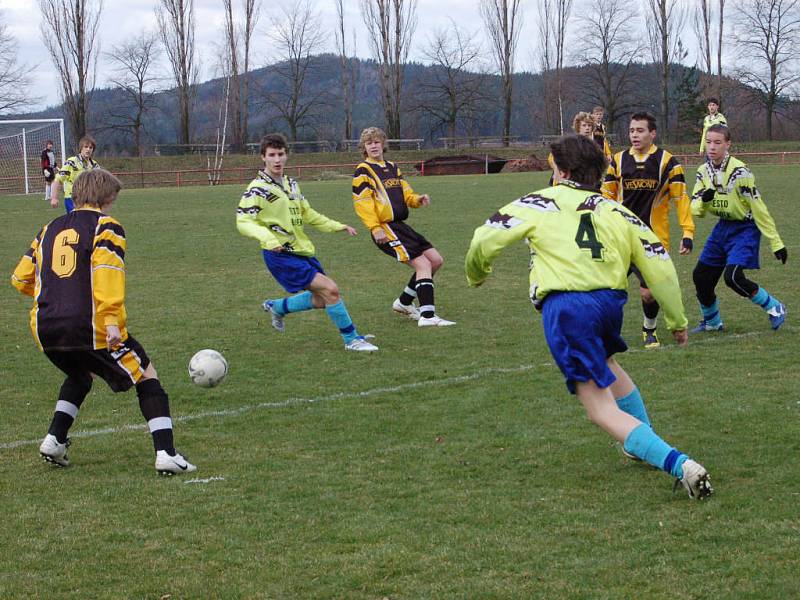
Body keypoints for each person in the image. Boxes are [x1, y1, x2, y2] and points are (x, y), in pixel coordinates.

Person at [465, 134, 712, 499]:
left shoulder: (540, 201)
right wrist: (676, 320)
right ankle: (640, 440)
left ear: (562, 172)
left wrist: (477, 274)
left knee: (599, 409)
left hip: (568, 307)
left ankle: (680, 465)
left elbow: (484, 239)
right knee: (608, 365)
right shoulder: (617, 210)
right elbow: (659, 264)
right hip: (610, 304)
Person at [11, 169, 196, 475]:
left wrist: (56, 295)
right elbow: (107, 273)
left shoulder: (49, 228)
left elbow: (20, 279)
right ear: (107, 196)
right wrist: (111, 321)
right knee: (146, 374)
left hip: (45, 327)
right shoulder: (106, 226)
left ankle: (54, 440)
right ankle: (166, 452)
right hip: (90, 325)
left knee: (81, 374)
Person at [237, 133, 378, 352]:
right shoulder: (257, 189)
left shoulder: (291, 184)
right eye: (271, 155)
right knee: (331, 290)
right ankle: (352, 339)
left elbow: (308, 214)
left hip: (301, 251)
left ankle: (277, 307)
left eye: (280, 154)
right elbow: (243, 221)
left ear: (286, 156)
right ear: (263, 158)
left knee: (323, 299)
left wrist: (336, 225)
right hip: (279, 254)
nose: (277, 160)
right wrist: (268, 238)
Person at [601, 112, 695, 349]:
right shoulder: (618, 160)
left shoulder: (667, 162)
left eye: (640, 130)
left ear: (653, 133)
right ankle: (602, 332)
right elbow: (606, 196)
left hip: (653, 240)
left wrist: (688, 232)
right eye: (632, 130)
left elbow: (681, 198)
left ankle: (649, 328)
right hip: (620, 237)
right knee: (607, 288)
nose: (634, 135)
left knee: (649, 293)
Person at [352, 126, 455, 327]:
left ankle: (404, 303)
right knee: (423, 265)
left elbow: (406, 193)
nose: (373, 146)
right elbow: (362, 202)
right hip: (385, 228)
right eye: (369, 142)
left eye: (376, 141)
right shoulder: (363, 171)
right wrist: (375, 227)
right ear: (364, 147)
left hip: (400, 226)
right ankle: (427, 317)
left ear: (383, 144)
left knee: (435, 260)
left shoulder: (392, 167)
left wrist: (417, 199)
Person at [691, 124, 787, 332]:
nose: (712, 147)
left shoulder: (740, 171)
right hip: (722, 228)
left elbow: (758, 208)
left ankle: (775, 307)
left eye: (717, 142)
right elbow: (696, 210)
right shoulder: (702, 171)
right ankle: (713, 322)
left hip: (745, 228)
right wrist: (705, 201)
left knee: (733, 277)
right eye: (708, 142)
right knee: (700, 276)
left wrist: (776, 242)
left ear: (728, 144)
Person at [51, 135, 100, 213]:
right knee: (77, 223)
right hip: (73, 199)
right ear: (81, 148)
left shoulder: (95, 165)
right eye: (86, 147)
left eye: (91, 148)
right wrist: (54, 198)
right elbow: (58, 180)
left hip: (90, 200)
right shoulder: (72, 162)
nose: (88, 149)